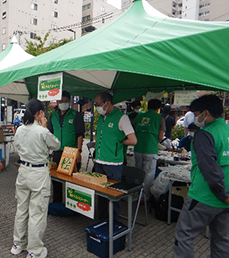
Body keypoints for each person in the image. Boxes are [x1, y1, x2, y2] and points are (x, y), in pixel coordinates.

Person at [174, 95, 229, 257]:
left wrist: (223, 196)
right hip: (225, 200)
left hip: (205, 196)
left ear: (206, 113)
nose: (194, 118)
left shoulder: (204, 134)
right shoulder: (226, 130)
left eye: (195, 113)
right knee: (222, 240)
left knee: (184, 235)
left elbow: (210, 170)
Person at [10, 99, 60, 258]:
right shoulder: (42, 131)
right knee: (37, 213)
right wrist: (44, 127)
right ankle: (34, 250)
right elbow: (56, 145)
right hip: (39, 173)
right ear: (39, 113)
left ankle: (18, 244)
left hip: (23, 171)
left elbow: (17, 146)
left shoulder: (19, 130)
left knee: (21, 209)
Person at [94, 91, 137, 220]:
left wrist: (119, 142)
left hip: (113, 164)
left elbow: (133, 140)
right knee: (101, 195)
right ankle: (101, 221)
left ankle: (114, 223)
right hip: (99, 162)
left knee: (113, 196)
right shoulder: (102, 118)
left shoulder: (121, 117)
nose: (97, 107)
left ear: (107, 103)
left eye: (98, 104)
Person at [47, 91, 85, 203]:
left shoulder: (75, 115)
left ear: (69, 101)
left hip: (71, 152)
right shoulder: (53, 116)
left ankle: (73, 204)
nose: (62, 103)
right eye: (60, 101)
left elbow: (80, 134)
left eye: (64, 101)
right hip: (57, 152)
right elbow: (50, 134)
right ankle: (57, 202)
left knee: (72, 180)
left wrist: (79, 151)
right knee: (56, 179)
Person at [134, 99, 165, 200]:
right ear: (158, 108)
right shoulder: (159, 118)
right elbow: (161, 136)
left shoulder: (139, 116)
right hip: (151, 148)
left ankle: (135, 193)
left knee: (138, 171)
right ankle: (144, 196)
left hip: (138, 147)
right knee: (149, 173)